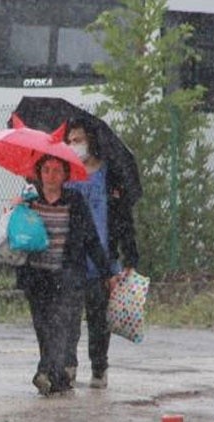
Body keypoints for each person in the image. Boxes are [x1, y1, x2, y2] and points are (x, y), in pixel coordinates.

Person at [14, 153, 115, 396]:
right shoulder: (29, 199)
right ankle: (56, 377)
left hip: (67, 276)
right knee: (43, 327)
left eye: (57, 171)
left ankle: (44, 371)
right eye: (46, 170)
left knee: (61, 327)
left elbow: (91, 238)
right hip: (37, 276)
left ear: (65, 175)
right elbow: (16, 232)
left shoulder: (75, 200)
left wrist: (106, 272)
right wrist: (14, 209)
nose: (51, 176)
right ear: (39, 173)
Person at [64, 117, 140, 389]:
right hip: (71, 259)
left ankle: (99, 367)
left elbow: (123, 219)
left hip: (103, 259)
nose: (74, 146)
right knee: (69, 318)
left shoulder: (109, 177)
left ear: (90, 141)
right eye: (70, 141)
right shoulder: (64, 174)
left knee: (98, 318)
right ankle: (68, 365)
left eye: (79, 140)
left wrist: (130, 258)